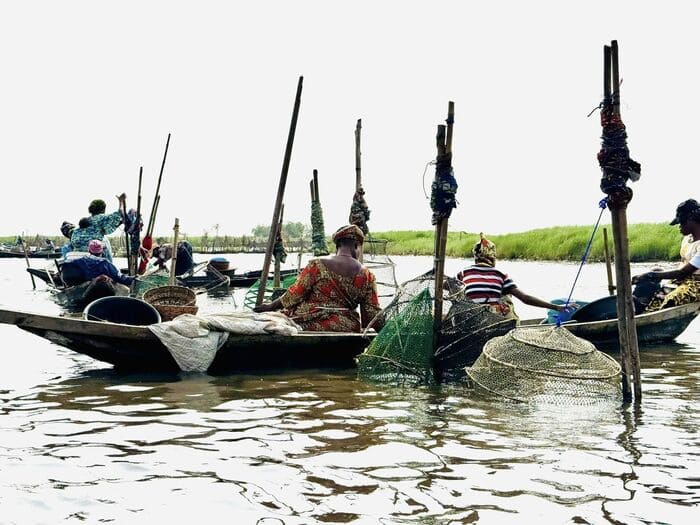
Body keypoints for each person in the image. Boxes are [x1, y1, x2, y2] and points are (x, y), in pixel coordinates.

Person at [253, 224, 383, 332]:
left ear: (338, 246)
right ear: (356, 246)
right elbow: (371, 315)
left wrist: (270, 306)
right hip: (344, 326)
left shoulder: (317, 264)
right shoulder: (368, 276)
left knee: (283, 320)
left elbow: (294, 295)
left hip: (308, 322)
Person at [457, 233, 573, 322]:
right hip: (490, 320)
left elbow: (449, 289)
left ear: (475, 258)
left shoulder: (463, 273)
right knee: (506, 295)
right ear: (492, 258)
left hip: (468, 319)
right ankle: (510, 323)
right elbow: (525, 298)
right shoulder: (500, 275)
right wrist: (556, 307)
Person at [632, 198, 700, 310]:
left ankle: (656, 311)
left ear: (691, 219)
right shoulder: (687, 239)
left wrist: (650, 274)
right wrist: (653, 274)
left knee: (673, 298)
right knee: (654, 276)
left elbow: (683, 272)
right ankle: (642, 307)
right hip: (681, 280)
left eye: (681, 223)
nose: (679, 227)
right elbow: (682, 267)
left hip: (696, 284)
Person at [60, 240, 134, 287]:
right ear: (102, 252)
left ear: (89, 250)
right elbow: (120, 278)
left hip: (81, 284)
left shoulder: (79, 261)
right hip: (96, 287)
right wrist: (135, 278)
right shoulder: (105, 263)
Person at [84, 194, 127, 262]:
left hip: (86, 248)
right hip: (95, 248)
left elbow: (106, 227)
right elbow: (118, 215)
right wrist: (121, 202)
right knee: (105, 242)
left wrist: (119, 223)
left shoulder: (87, 220)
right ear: (103, 209)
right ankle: (109, 268)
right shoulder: (101, 217)